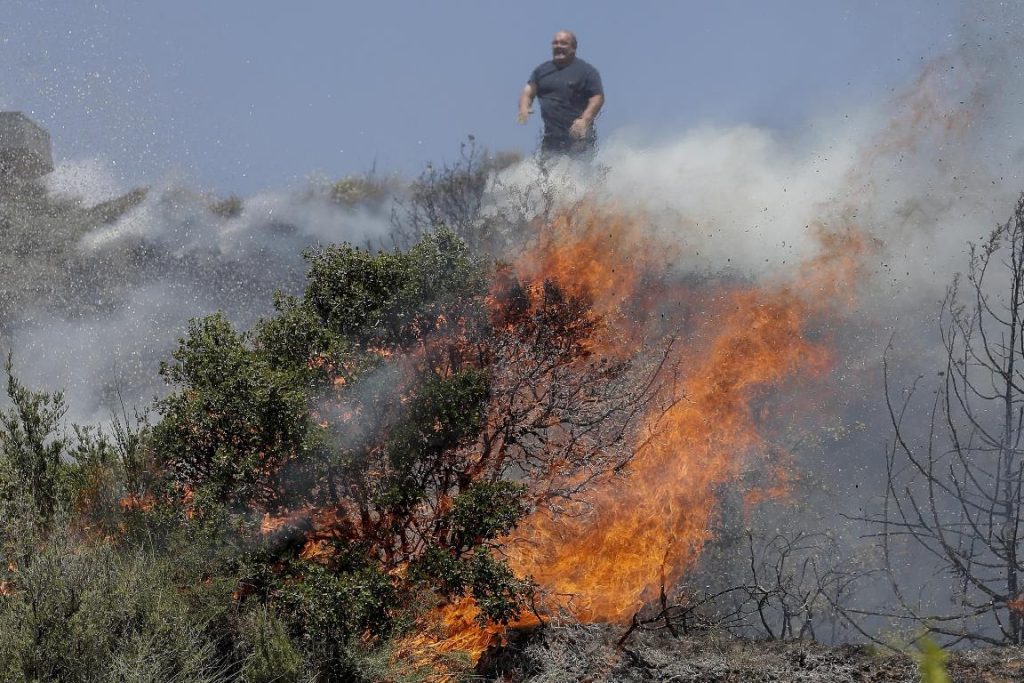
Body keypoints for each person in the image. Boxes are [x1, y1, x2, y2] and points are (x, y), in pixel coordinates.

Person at [518, 30, 604, 156]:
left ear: (573, 47)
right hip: (551, 138)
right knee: (547, 174)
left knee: (578, 173)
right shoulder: (541, 71)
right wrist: (524, 108)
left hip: (579, 136)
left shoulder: (586, 72)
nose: (558, 46)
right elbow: (528, 91)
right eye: (555, 43)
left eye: (563, 43)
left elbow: (597, 98)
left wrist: (585, 119)